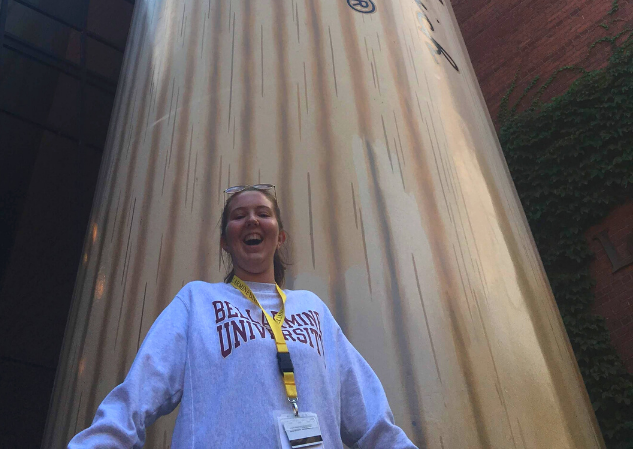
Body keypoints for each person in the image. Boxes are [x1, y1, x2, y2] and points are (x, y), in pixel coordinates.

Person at [69, 184, 417, 449]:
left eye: (263, 213)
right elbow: (137, 396)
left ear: (280, 236)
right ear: (225, 241)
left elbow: (372, 419)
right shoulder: (197, 301)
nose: (252, 219)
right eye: (239, 215)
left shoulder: (313, 309)